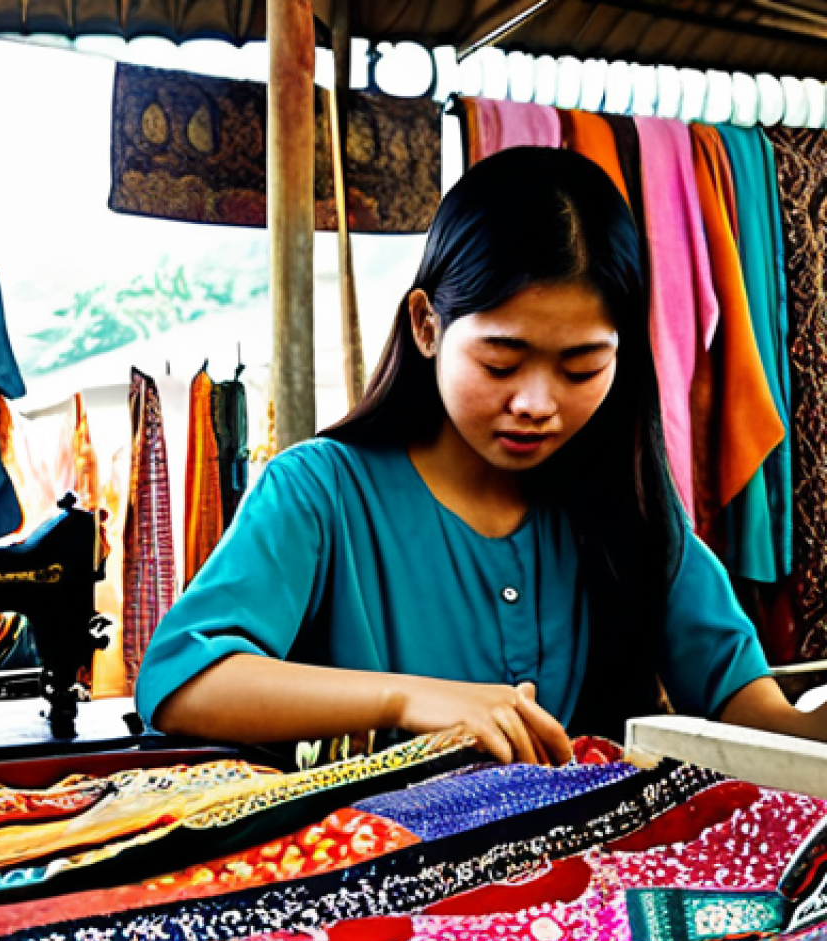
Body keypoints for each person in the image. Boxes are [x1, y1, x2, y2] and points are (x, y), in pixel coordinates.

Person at [135, 146, 827, 766]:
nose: (536, 402)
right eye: (501, 362)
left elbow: (750, 714)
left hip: (585, 900)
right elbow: (183, 682)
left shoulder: (630, 506)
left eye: (581, 368)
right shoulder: (319, 493)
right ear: (427, 326)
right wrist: (411, 701)